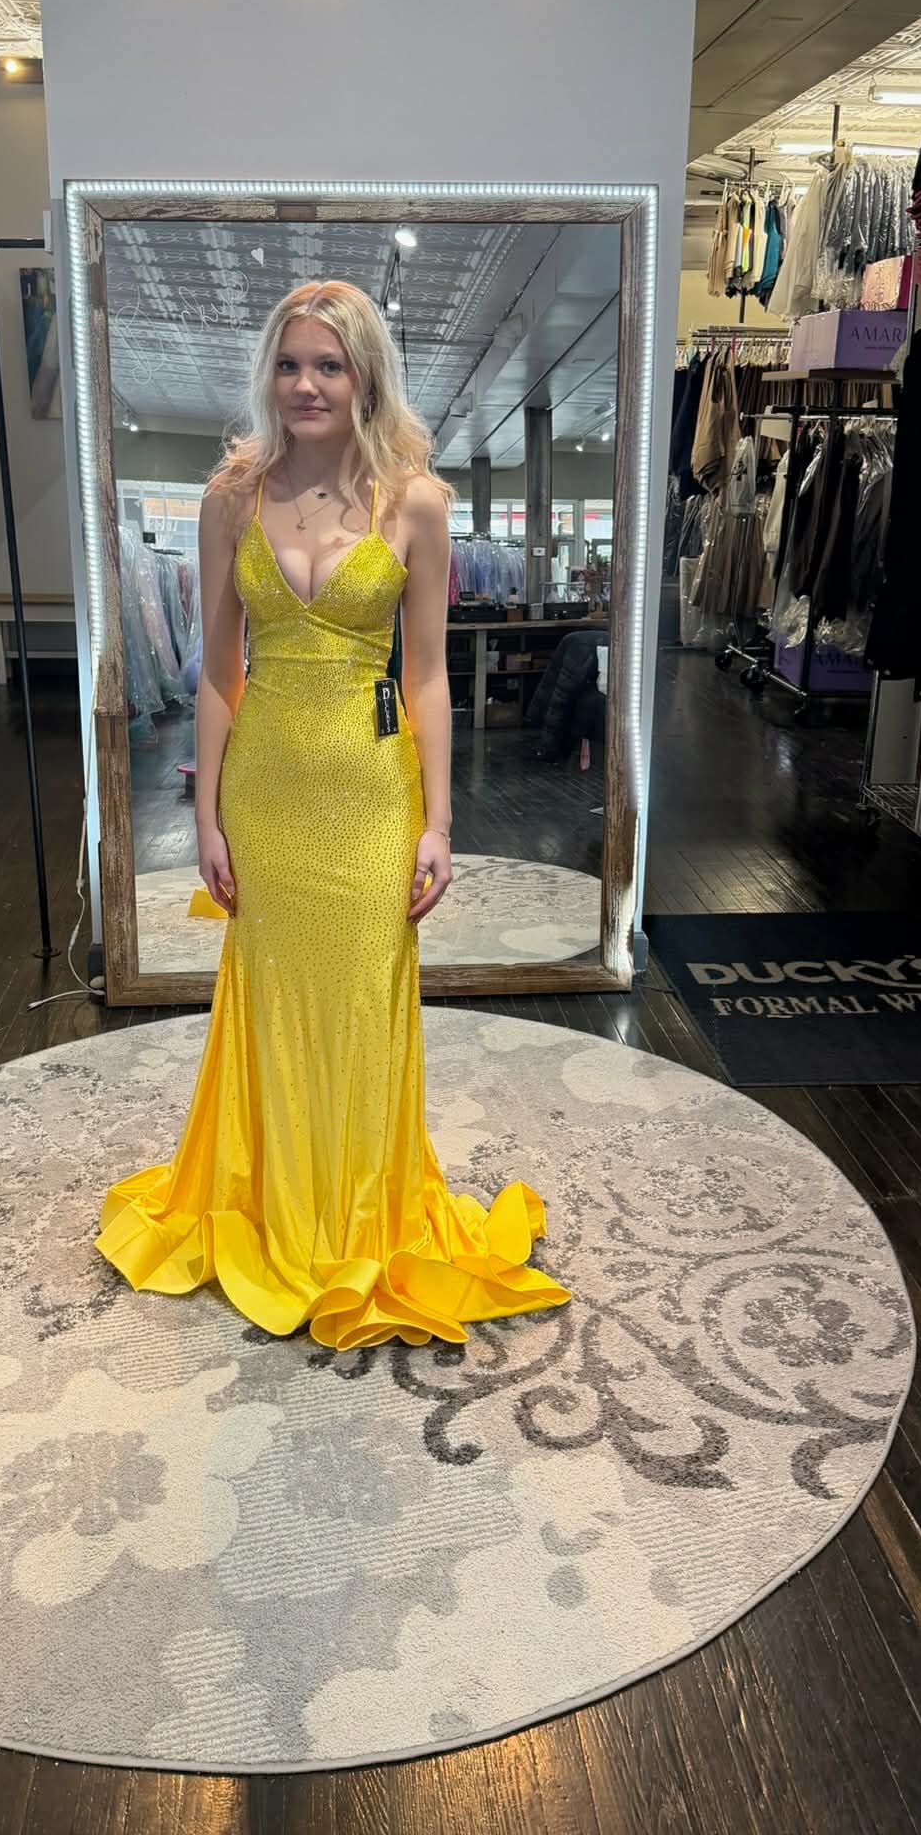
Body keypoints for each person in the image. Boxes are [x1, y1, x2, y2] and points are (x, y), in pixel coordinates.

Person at [94, 279, 571, 1349]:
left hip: (368, 790)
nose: (306, 384)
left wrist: (439, 822)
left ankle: (357, 1213)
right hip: (266, 790)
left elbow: (432, 680)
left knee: (360, 1002)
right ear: (270, 376)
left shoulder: (419, 505)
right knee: (270, 998)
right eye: (289, 363)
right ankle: (272, 1206)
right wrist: (208, 815)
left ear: (365, 376)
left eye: (329, 364)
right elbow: (218, 674)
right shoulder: (231, 497)